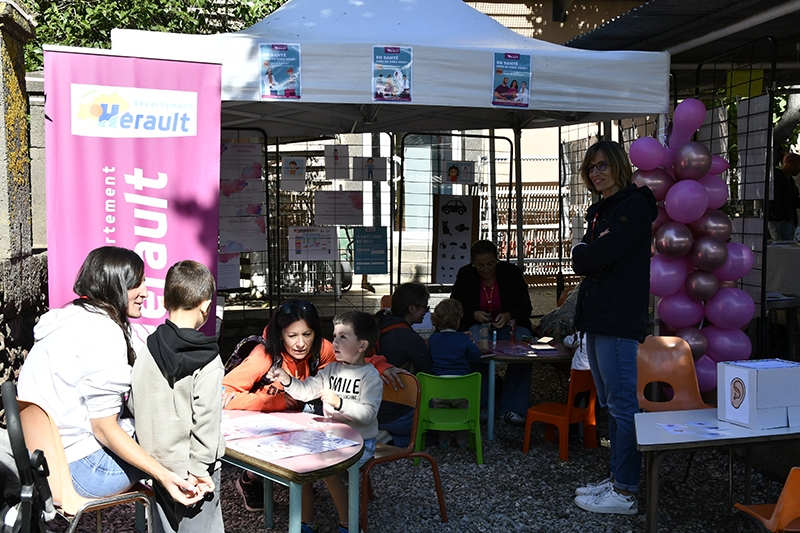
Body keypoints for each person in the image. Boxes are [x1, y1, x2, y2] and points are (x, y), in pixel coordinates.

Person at [17, 246, 201, 505]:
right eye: (137, 284)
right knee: (177, 430)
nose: (146, 293)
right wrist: (164, 475)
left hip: (43, 468)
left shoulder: (67, 319)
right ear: (115, 285)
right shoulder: (102, 331)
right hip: (83, 472)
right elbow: (103, 428)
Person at [222, 299, 398, 517]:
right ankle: (251, 479)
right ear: (280, 335)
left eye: (307, 334)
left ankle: (325, 514)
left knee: (307, 442)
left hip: (310, 419)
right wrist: (275, 403)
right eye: (292, 336)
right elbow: (222, 393)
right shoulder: (264, 355)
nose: (300, 344)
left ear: (315, 333)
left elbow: (357, 359)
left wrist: (381, 365)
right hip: (260, 417)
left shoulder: (324, 350)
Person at [571, 140, 657, 515]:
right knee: (610, 403)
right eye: (591, 168)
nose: (596, 173)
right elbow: (593, 256)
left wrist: (582, 251)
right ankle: (618, 478)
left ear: (620, 166)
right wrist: (587, 252)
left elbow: (593, 257)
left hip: (618, 319)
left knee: (623, 406)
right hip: (602, 318)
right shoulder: (605, 210)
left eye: (603, 165)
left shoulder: (632, 208)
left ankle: (625, 491)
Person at [129, 260, 225, 532]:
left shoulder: (147, 348)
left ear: (164, 302)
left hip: (156, 464)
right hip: (193, 471)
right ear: (206, 306)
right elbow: (206, 420)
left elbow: (135, 403)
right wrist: (200, 468)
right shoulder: (208, 360)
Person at [267, 311, 382, 533]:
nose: (334, 342)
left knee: (327, 469)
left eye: (343, 337)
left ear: (362, 345)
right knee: (301, 465)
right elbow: (307, 390)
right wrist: (287, 380)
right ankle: (307, 521)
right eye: (334, 336)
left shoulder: (370, 377)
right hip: (331, 439)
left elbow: (368, 414)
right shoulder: (331, 370)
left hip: (361, 443)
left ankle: (349, 524)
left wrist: (340, 403)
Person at [450, 240, 533, 426]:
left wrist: (509, 314)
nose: (486, 269)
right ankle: (482, 404)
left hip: (510, 326)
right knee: (474, 347)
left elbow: (526, 307)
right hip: (477, 326)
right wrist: (473, 314)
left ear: (497, 260)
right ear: (473, 263)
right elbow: (454, 307)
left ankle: (513, 407)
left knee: (524, 348)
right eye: (480, 265)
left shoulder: (511, 273)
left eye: (490, 264)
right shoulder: (465, 275)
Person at [375, 282, 434, 446]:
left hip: (372, 409)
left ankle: (382, 434)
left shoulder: (382, 324)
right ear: (412, 308)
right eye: (425, 307)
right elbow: (429, 371)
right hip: (395, 414)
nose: (426, 312)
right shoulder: (407, 336)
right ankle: (391, 440)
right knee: (439, 430)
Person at [428, 299, 483, 449]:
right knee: (463, 411)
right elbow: (475, 356)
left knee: (441, 411)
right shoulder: (463, 339)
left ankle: (444, 439)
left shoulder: (433, 339)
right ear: (458, 320)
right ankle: (462, 440)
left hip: (438, 388)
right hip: (462, 387)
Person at [768, 153, 800, 241]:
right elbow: (771, 200)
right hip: (779, 222)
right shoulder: (776, 178)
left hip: (788, 221)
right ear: (791, 164)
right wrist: (780, 218)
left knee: (787, 246)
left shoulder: (790, 181)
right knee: (783, 247)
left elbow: (795, 201)